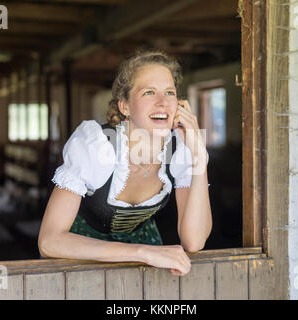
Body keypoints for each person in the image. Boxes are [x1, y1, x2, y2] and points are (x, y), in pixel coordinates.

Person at [38, 50, 212, 276]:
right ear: (125, 107)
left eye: (169, 92)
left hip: (146, 254)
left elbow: (194, 241)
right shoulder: (97, 146)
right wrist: (142, 253)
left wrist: (199, 154)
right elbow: (49, 241)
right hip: (80, 255)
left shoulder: (181, 150)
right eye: (149, 92)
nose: (162, 102)